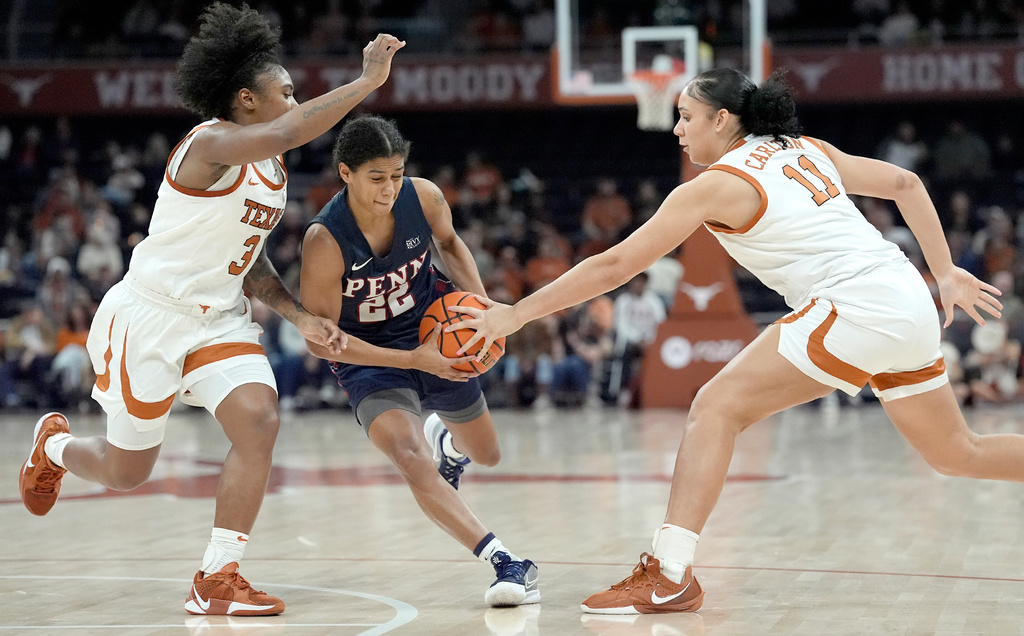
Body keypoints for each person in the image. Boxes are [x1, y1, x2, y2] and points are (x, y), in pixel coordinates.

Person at [452, 68, 1011, 615]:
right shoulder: (807, 148)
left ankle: (670, 575)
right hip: (907, 296)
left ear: (722, 120)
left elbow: (617, 263)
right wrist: (945, 272)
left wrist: (516, 314)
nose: (677, 129)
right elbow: (906, 184)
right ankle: (670, 576)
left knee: (714, 408)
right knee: (958, 452)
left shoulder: (716, 185)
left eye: (685, 116)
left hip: (857, 305)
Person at [19, 2, 405, 616]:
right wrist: (365, 84)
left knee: (259, 419)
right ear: (246, 99)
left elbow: (249, 261)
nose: (293, 100)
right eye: (284, 91)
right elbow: (286, 130)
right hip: (150, 317)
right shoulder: (208, 144)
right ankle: (55, 447)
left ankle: (216, 577)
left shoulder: (271, 172)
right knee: (127, 472)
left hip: (219, 318)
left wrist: (300, 316)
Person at [299, 115, 540, 607]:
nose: (390, 188)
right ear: (345, 173)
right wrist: (413, 359)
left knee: (488, 454)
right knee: (410, 458)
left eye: (396, 174)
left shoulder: (423, 196)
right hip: (368, 357)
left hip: (437, 328)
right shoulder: (324, 240)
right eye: (376, 177)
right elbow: (323, 341)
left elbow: (449, 244)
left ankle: (450, 447)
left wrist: (484, 311)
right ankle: (505, 562)